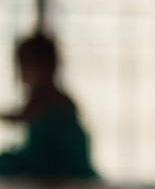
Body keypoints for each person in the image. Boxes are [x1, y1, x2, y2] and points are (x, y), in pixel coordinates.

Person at [0, 32, 97, 179]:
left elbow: (18, 117)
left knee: (6, 161)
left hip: (53, 165)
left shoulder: (42, 98)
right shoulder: (63, 97)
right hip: (69, 165)